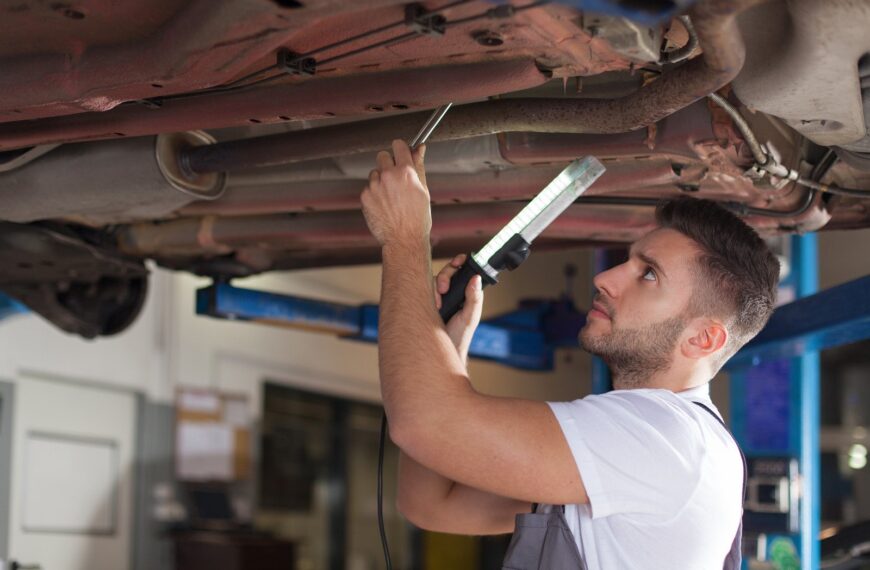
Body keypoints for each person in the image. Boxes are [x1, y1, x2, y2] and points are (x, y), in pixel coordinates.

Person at [360, 140, 780, 569]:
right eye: (629, 262)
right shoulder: (651, 448)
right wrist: (446, 344)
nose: (605, 277)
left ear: (703, 340)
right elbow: (433, 504)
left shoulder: (669, 438)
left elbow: (423, 425)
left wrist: (405, 238)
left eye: (648, 274)